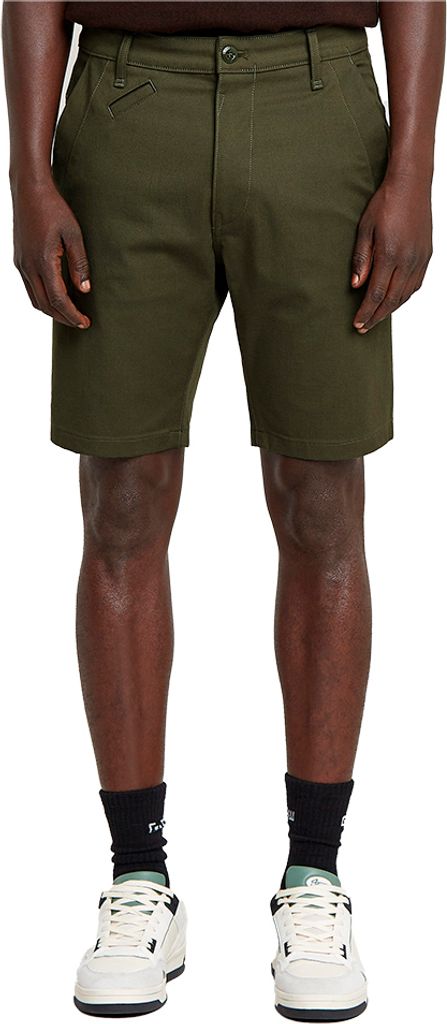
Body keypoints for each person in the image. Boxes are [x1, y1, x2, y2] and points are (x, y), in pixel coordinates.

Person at [2, 1, 445, 1019]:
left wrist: (413, 168)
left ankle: (315, 874)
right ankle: (137, 876)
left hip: (317, 98)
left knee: (321, 498)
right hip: (126, 103)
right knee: (121, 499)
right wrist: (28, 173)